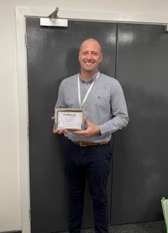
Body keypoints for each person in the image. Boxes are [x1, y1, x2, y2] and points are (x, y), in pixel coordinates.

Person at [53, 38, 129, 233]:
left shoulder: (112, 85)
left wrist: (99, 129)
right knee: (74, 195)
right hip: (71, 148)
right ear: (79, 56)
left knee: (100, 198)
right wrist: (58, 123)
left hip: (99, 151)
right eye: (85, 53)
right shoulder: (65, 84)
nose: (89, 57)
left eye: (93, 53)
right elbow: (59, 110)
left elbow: (123, 118)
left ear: (100, 57)